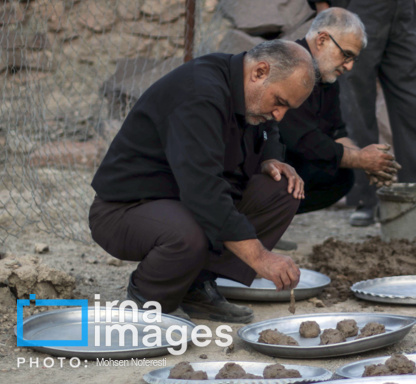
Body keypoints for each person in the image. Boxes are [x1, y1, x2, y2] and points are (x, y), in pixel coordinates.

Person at [89, 40, 316, 322]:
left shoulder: (247, 91)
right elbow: (203, 191)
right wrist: (260, 257)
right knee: (190, 231)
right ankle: (147, 300)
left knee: (282, 189)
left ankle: (196, 286)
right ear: (259, 72)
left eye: (288, 108)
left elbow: (269, 128)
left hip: (181, 202)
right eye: (280, 102)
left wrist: (270, 157)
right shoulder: (199, 93)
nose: (280, 115)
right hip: (124, 211)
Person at [308, 0, 416, 226]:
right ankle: (365, 198)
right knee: (355, 107)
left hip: (404, 8)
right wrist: (323, 6)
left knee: (415, 107)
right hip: (357, 7)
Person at [279, 7, 401, 215]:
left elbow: (336, 133)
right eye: (346, 55)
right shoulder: (288, 65)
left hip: (288, 156)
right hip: (252, 162)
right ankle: (248, 224)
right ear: (322, 40)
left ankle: (264, 226)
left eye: (353, 59)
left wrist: (368, 161)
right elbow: (302, 140)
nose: (350, 66)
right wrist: (360, 159)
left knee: (339, 177)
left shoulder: (326, 77)